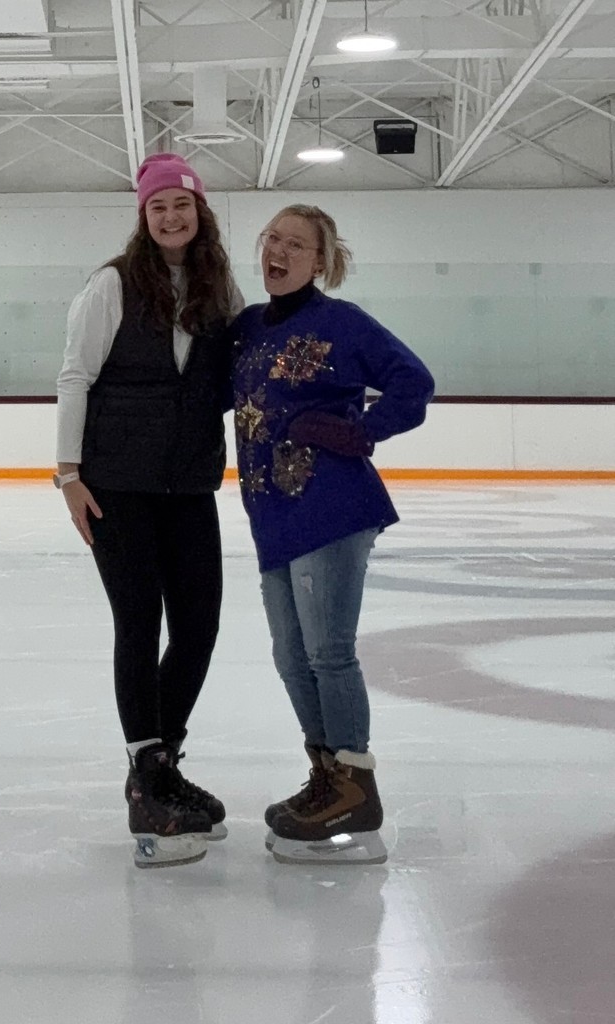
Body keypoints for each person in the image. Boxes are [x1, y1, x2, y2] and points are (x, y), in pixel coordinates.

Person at [231, 204, 434, 865]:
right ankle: (327, 778)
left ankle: (354, 784)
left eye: (296, 244)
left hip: (333, 507)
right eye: (272, 240)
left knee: (327, 652)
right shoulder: (247, 331)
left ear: (321, 261)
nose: (279, 251)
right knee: (292, 657)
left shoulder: (341, 324)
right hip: (271, 515)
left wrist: (365, 430)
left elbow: (414, 380)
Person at [55, 153, 242, 868]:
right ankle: (147, 773)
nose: (171, 217)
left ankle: (158, 767)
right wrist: (68, 474)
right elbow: (76, 375)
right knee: (139, 622)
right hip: (118, 484)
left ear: (200, 214)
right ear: (143, 215)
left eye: (182, 206)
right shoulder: (112, 283)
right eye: (158, 207)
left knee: (198, 625)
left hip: (190, 483)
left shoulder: (215, 284)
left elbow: (218, 380)